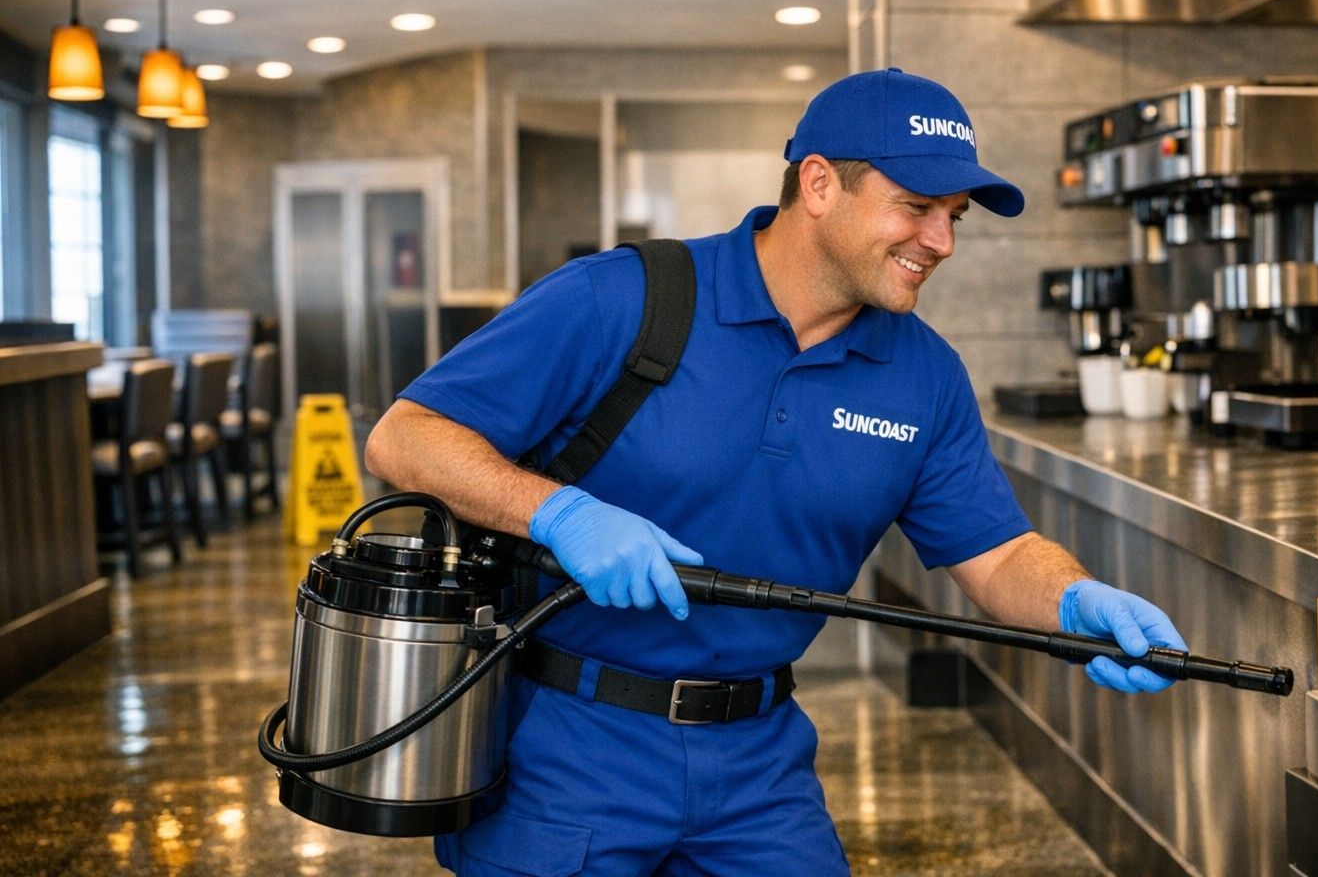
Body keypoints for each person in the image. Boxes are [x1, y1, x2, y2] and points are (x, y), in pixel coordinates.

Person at [365, 67, 1187, 877]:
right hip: (567, 746)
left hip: (759, 767)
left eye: (954, 217)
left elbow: (999, 555)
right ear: (821, 184)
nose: (941, 243)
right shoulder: (621, 300)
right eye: (916, 208)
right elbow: (406, 438)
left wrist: (1074, 601)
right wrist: (560, 513)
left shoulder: (925, 375)